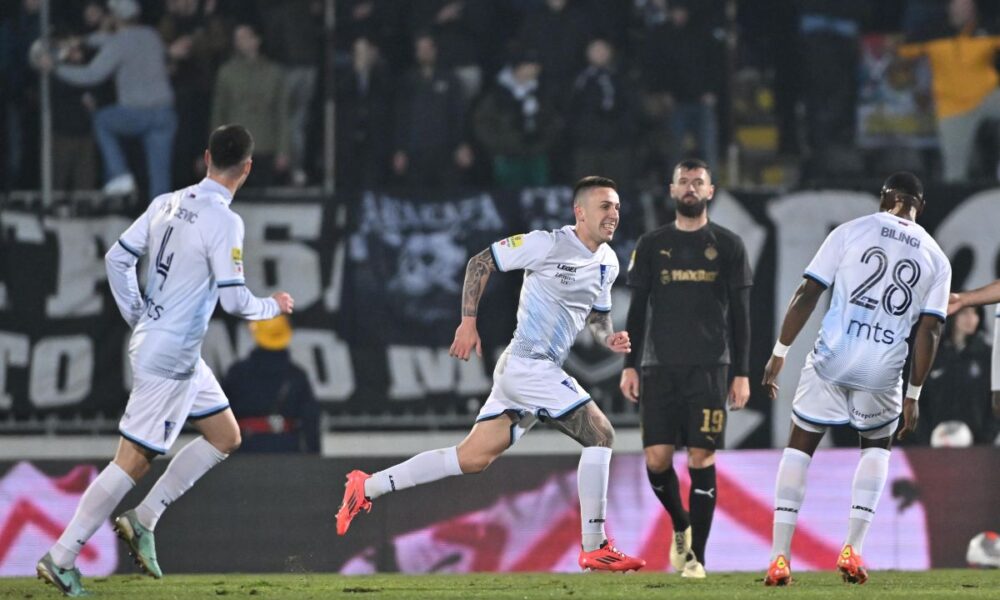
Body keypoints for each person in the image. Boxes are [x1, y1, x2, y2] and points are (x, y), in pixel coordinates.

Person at [335, 176, 646, 573]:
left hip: (536, 371)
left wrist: (609, 338)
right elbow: (480, 261)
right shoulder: (548, 244)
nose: (613, 214)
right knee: (601, 434)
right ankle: (595, 545)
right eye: (604, 206)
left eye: (617, 206)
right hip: (526, 364)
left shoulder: (609, 261)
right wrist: (468, 323)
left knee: (471, 458)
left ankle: (367, 486)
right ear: (580, 212)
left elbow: (598, 316)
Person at [35, 124, 295, 597]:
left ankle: (144, 518)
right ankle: (61, 556)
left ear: (205, 157)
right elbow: (236, 303)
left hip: (167, 346)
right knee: (132, 462)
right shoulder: (225, 221)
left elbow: (118, 258)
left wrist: (140, 313)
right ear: (248, 168)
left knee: (225, 435)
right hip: (171, 356)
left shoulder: (166, 202)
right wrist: (273, 305)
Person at [760, 172, 951, 586]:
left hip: (833, 356)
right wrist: (914, 393)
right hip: (882, 367)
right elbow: (930, 330)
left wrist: (780, 352)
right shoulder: (937, 257)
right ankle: (853, 548)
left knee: (800, 447)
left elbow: (808, 292)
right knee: (876, 449)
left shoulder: (851, 230)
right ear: (920, 206)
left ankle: (779, 557)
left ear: (886, 197)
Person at [620, 158, 752, 578]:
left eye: (699, 182)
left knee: (701, 455)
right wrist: (629, 365)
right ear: (672, 191)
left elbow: (741, 317)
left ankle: (698, 558)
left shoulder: (729, 246)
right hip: (658, 367)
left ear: (711, 191)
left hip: (710, 368)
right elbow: (638, 311)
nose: (691, 188)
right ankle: (681, 525)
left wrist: (742, 373)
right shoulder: (652, 244)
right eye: (684, 182)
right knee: (657, 460)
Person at [36, 0, 177, 199]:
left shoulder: (118, 43)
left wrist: (56, 68)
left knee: (102, 121)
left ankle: (120, 175)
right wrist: (82, 41)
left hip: (137, 113)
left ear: (115, 17)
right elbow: (107, 40)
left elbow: (92, 74)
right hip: (164, 114)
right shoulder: (151, 35)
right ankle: (163, 223)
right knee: (160, 177)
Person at [898, 0, 1000, 182]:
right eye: (958, 6)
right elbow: (903, 55)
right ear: (949, 9)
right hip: (953, 105)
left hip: (988, 95)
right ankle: (958, 204)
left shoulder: (987, 29)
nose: (963, 11)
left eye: (967, 7)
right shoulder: (933, 33)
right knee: (954, 172)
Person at [222, 315, 320, 453]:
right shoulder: (297, 375)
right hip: (286, 450)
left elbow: (221, 415)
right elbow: (310, 419)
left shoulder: (237, 373)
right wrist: (314, 455)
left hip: (245, 450)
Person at [211, 23, 290, 188]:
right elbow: (219, 113)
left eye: (245, 37)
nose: (241, 42)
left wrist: (283, 150)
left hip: (265, 146)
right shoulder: (226, 73)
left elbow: (282, 113)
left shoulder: (275, 73)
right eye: (238, 39)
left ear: (257, 40)